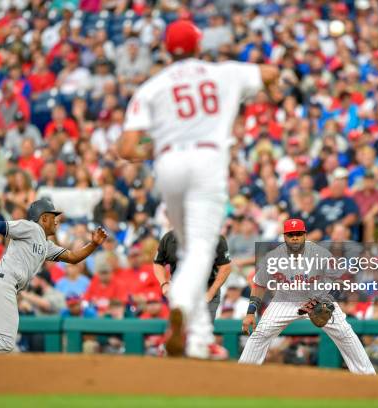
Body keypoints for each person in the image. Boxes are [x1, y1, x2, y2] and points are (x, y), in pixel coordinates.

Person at [117, 19, 279, 359]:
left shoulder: (153, 85)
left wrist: (158, 144)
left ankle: (200, 337)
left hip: (168, 164)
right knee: (202, 248)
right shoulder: (224, 72)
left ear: (165, 49)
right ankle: (178, 308)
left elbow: (127, 148)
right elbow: (270, 72)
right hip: (207, 160)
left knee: (190, 249)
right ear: (198, 45)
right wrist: (265, 89)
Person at [0, 198, 107, 355]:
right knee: (5, 342)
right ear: (43, 218)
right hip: (1, 286)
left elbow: (73, 257)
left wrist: (93, 244)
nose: (56, 220)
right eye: (53, 216)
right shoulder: (31, 227)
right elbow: (2, 226)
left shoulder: (46, 245)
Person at [238, 218, 375, 374]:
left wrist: (327, 302)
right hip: (285, 300)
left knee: (345, 332)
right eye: (291, 234)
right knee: (261, 333)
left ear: (305, 235)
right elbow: (259, 284)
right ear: (284, 237)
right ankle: (243, 374)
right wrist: (250, 312)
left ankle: (368, 375)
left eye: (298, 234)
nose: (295, 237)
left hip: (318, 298)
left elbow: (339, 281)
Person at [153, 230, 232, 322]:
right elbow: (157, 263)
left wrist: (211, 292)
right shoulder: (169, 237)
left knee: (203, 328)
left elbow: (226, 267)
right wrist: (164, 284)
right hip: (180, 291)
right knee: (181, 328)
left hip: (206, 289)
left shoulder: (215, 238)